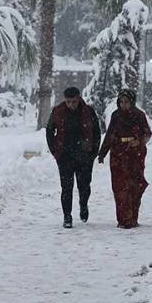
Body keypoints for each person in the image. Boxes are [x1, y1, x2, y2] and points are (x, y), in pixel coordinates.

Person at [46, 87, 102, 229]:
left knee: (84, 186)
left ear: (79, 99)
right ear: (65, 100)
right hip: (65, 156)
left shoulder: (88, 112)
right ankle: (67, 216)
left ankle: (83, 205)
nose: (71, 105)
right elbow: (49, 131)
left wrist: (93, 153)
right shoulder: (58, 111)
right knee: (66, 188)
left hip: (84, 156)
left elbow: (96, 132)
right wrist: (55, 151)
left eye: (74, 102)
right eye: (69, 102)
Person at [98, 89, 152, 229]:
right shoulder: (116, 116)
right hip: (118, 155)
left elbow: (147, 133)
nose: (124, 105)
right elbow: (110, 134)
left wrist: (138, 141)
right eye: (121, 102)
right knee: (120, 188)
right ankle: (123, 219)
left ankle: (133, 217)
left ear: (132, 102)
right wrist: (102, 153)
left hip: (135, 155)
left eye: (126, 102)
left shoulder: (139, 115)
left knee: (135, 186)